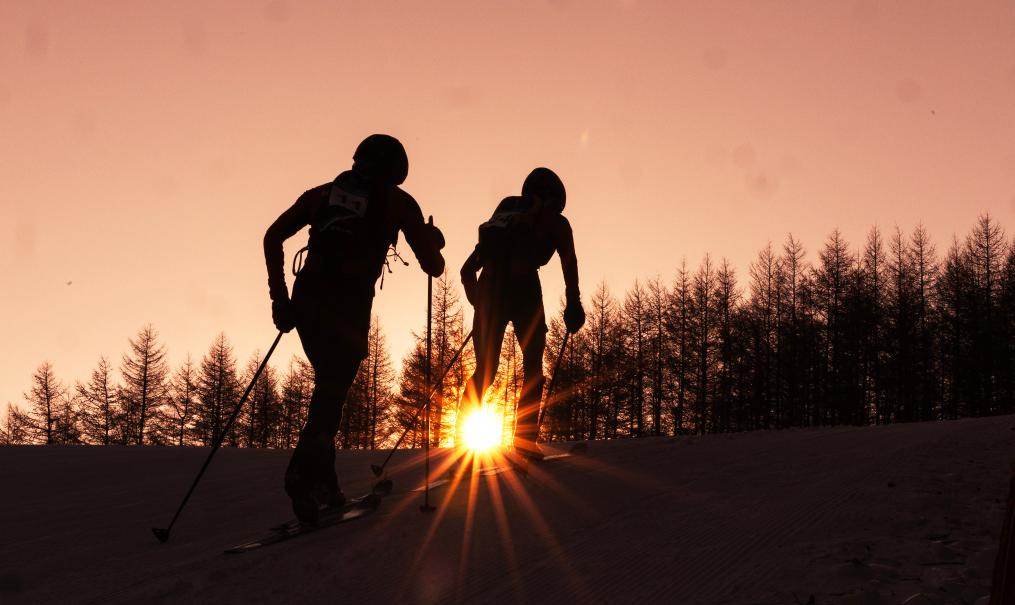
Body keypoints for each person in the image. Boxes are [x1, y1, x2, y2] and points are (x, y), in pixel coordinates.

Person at [263, 134, 445, 523]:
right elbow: (434, 266)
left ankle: (325, 485)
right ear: (396, 171)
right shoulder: (398, 202)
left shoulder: (323, 194)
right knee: (331, 391)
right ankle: (302, 475)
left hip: (307, 298)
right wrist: (430, 240)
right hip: (349, 305)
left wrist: (280, 299)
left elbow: (272, 235)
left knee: (328, 387)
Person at [460, 167, 585, 461]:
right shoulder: (557, 222)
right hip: (525, 290)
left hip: (490, 288)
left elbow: (467, 270)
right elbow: (569, 262)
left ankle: (462, 449)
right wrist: (573, 303)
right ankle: (525, 444)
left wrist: (480, 303)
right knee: (532, 369)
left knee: (484, 371)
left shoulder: (505, 213)